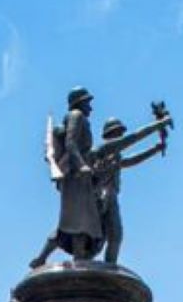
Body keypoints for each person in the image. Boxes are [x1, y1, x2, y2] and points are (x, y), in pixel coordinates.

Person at [30, 87, 102, 266]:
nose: (90, 108)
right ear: (79, 103)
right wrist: (82, 165)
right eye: (88, 103)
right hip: (75, 174)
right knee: (77, 218)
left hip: (79, 175)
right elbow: (70, 143)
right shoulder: (76, 115)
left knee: (79, 218)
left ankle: (46, 257)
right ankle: (77, 256)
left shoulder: (80, 118)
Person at [90, 115, 170, 264]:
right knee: (97, 240)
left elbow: (131, 161)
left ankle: (110, 268)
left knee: (116, 236)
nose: (121, 135)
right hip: (100, 197)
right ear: (110, 135)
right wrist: (160, 123)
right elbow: (136, 136)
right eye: (118, 132)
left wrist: (155, 149)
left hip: (111, 197)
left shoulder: (115, 155)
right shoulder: (103, 151)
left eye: (121, 132)